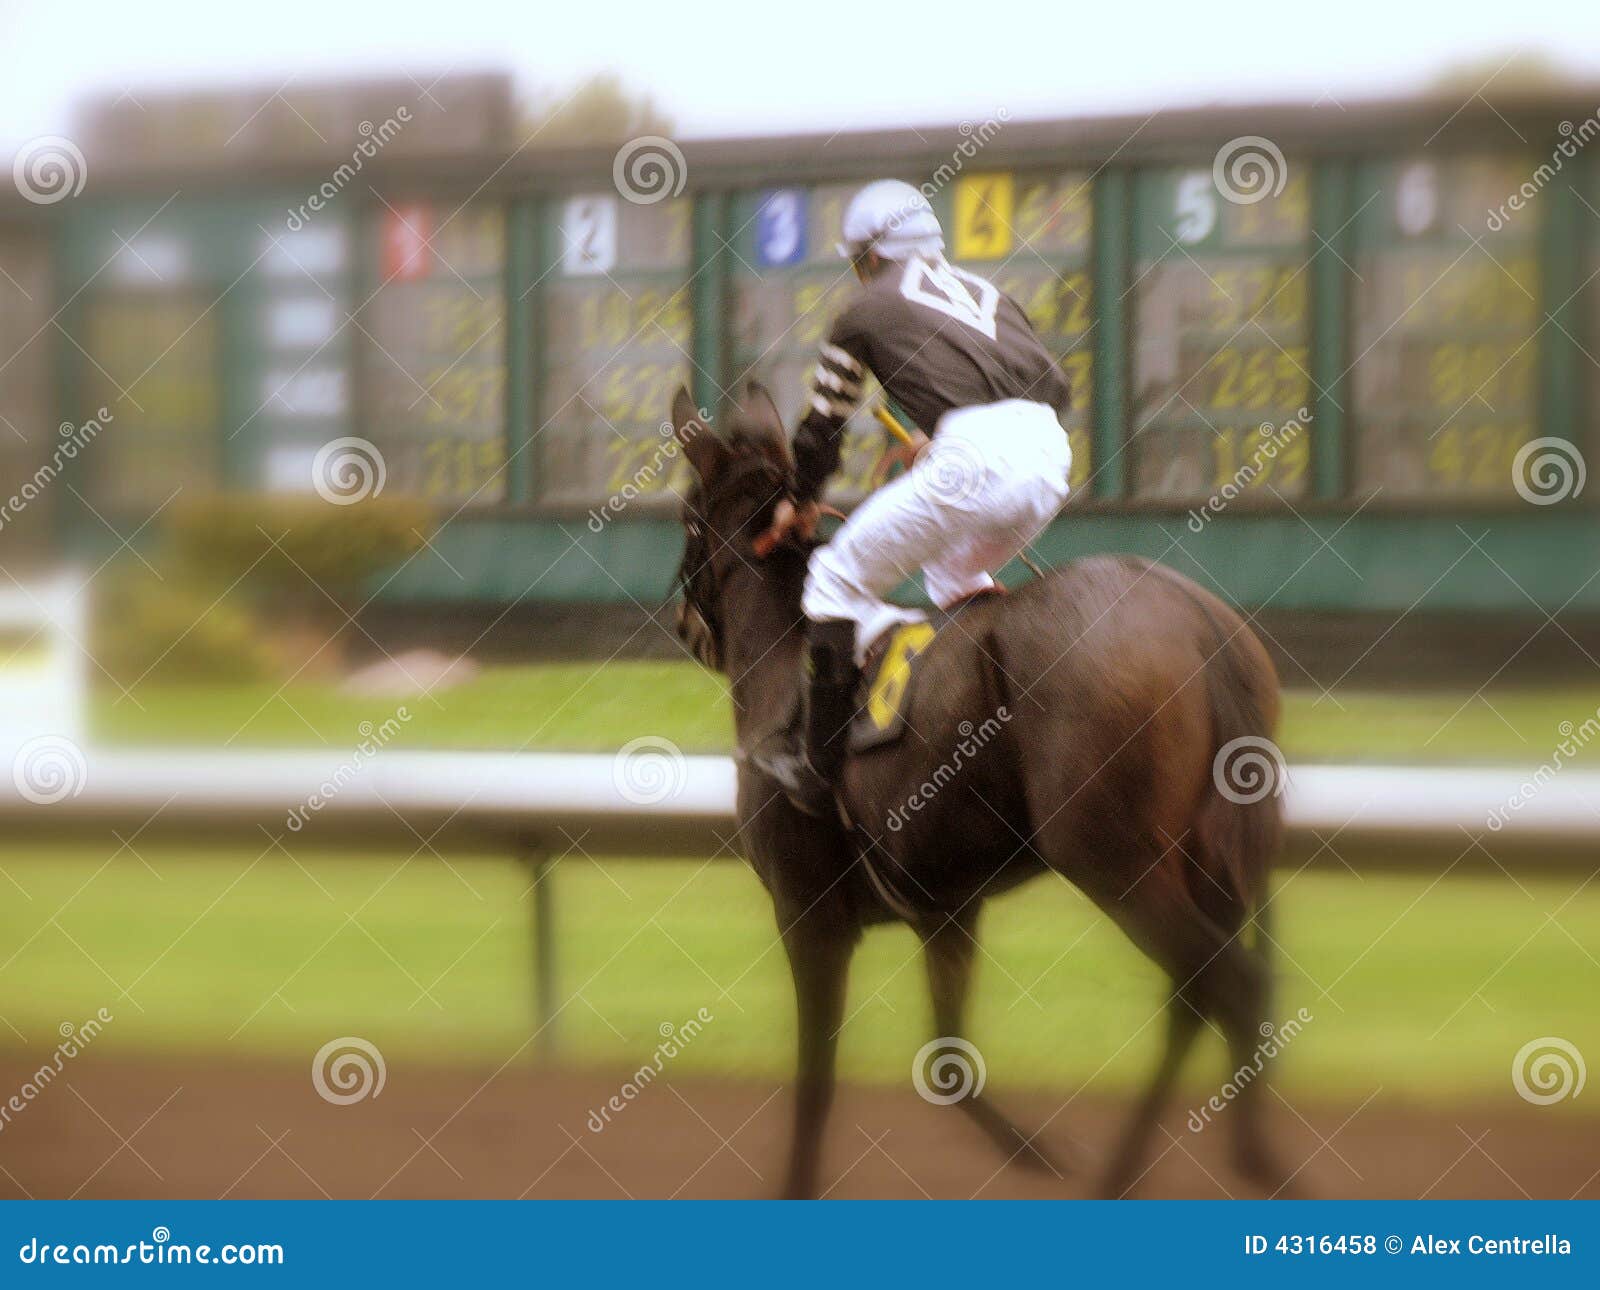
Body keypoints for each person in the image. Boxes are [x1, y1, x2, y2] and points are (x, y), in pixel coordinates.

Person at [754, 178, 1075, 817]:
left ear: (871, 256)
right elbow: (1056, 388)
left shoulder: (863, 311)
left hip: (975, 460)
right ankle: (976, 714)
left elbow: (823, 428)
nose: (858, 271)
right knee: (954, 572)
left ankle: (815, 770)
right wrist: (948, 428)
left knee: (831, 581)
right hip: (1050, 457)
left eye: (857, 260)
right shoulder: (992, 294)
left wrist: (800, 497)